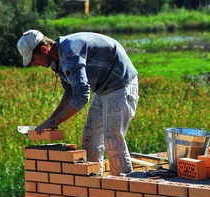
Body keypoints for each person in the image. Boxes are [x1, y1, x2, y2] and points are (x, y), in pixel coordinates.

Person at [17, 30, 139, 176]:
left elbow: (81, 97)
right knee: (89, 139)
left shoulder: (70, 52)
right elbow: (70, 92)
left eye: (34, 59)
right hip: (102, 88)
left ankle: (124, 188)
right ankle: (95, 184)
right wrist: (50, 121)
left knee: (112, 139)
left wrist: (55, 121)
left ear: (44, 49)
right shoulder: (57, 62)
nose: (34, 64)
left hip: (120, 83)